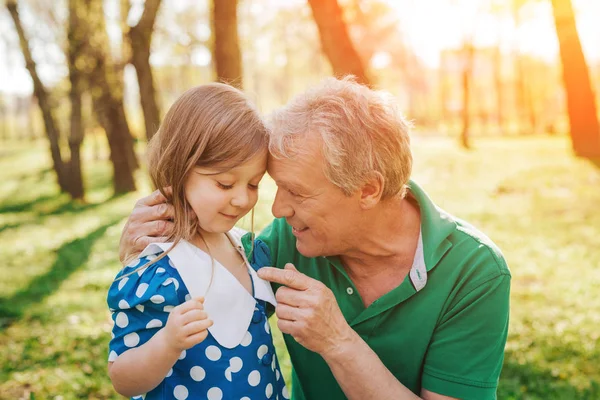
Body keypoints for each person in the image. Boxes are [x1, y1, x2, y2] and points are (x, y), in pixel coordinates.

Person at [119, 77, 511, 400]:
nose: (277, 210)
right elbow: (201, 258)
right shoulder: (283, 245)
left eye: (298, 193)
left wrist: (339, 342)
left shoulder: (475, 273)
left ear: (368, 191)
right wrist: (142, 246)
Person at [107, 83, 288, 400]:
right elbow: (123, 379)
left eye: (254, 184)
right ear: (180, 168)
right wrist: (168, 342)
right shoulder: (157, 271)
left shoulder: (249, 252)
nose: (242, 199)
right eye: (225, 183)